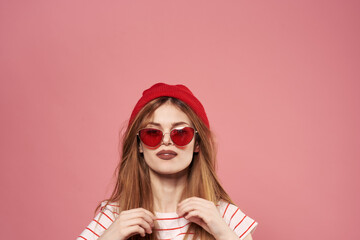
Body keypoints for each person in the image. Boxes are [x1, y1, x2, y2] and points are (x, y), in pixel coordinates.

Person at [76, 83, 258, 240]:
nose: (166, 141)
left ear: (197, 143)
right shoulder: (114, 216)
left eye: (180, 133)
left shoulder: (224, 216)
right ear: (139, 145)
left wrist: (222, 233)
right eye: (152, 133)